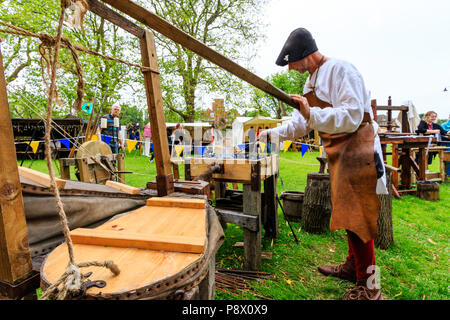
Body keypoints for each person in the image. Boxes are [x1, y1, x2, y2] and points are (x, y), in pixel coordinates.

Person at [259, 28, 387, 300]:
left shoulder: (342, 70)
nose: (291, 68)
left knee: (361, 219)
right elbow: (302, 121)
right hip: (341, 151)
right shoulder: (310, 84)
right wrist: (273, 133)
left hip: (359, 147)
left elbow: (352, 116)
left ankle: (372, 286)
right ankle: (356, 267)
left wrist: (311, 112)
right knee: (349, 215)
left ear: (305, 54)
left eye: (292, 62)